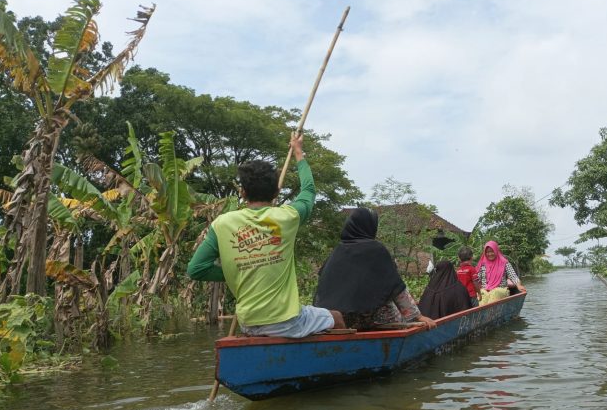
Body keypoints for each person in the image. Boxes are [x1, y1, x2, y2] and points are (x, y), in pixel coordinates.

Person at [187, 132, 345, 337]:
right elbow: (308, 190)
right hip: (287, 321)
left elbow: (195, 269)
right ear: (276, 193)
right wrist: (298, 152)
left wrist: (239, 270)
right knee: (338, 318)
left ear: (242, 192)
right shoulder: (288, 217)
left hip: (248, 324)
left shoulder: (222, 224)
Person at [313, 207, 437, 331]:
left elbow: (321, 292)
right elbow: (396, 287)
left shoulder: (337, 252)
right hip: (377, 320)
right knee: (395, 314)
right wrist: (417, 316)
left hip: (341, 322)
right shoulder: (376, 250)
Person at [477, 240, 525, 305]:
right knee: (482, 293)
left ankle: (489, 312)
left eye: (492, 251)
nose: (490, 254)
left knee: (495, 292)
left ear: (496, 251)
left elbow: (513, 276)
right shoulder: (482, 264)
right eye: (487, 252)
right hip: (485, 290)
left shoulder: (504, 262)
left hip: (501, 290)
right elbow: (477, 279)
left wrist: (519, 285)